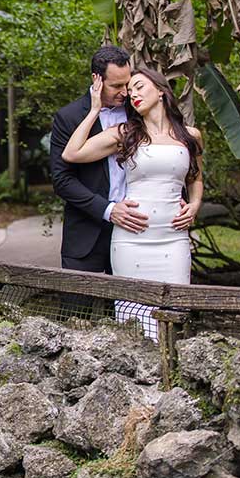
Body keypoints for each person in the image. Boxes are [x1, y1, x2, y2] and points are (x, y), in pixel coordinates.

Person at [61, 65, 204, 339]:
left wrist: (195, 205)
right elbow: (72, 153)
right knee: (133, 318)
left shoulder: (190, 136)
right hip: (132, 239)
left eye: (139, 87)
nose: (132, 95)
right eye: (129, 91)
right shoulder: (124, 133)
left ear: (161, 91)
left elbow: (195, 178)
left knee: (175, 310)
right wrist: (93, 110)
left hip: (173, 238)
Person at [50, 46, 149, 316]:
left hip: (136, 229)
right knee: (74, 317)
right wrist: (108, 210)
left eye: (127, 84)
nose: (125, 92)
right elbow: (62, 180)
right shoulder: (68, 117)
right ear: (97, 80)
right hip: (87, 232)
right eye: (117, 85)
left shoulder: (140, 112)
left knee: (132, 315)